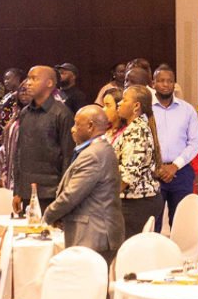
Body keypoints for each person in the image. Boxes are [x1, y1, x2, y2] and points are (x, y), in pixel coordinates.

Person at [42, 106, 124, 261]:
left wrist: (48, 215)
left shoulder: (93, 155)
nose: (72, 129)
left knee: (85, 277)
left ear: (90, 126)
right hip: (98, 233)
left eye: (76, 124)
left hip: (94, 235)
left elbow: (72, 195)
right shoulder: (101, 149)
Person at [12, 66, 76, 214]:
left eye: (34, 79)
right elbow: (19, 153)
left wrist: (63, 194)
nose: (28, 83)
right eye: (28, 78)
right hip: (26, 191)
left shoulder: (62, 113)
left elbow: (68, 157)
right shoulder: (25, 112)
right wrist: (17, 191)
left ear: (49, 83)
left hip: (52, 192)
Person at [108, 85, 163, 237]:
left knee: (126, 248)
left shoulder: (137, 131)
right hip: (134, 201)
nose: (119, 103)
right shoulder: (133, 128)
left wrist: (107, 199)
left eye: (124, 100)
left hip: (136, 203)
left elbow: (128, 176)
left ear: (136, 106)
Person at [148, 66, 198, 221]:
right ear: (153, 84)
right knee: (153, 222)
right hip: (153, 173)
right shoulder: (146, 111)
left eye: (170, 81)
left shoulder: (187, 110)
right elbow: (143, 143)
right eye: (161, 81)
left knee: (181, 221)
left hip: (181, 172)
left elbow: (194, 143)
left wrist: (175, 166)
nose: (166, 84)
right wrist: (156, 167)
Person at [0, 68, 26, 191]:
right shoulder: (8, 95)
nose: (5, 81)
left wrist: (7, 134)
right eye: (4, 79)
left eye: (8, 78)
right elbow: (1, 116)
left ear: (17, 78)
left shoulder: (20, 97)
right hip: (4, 132)